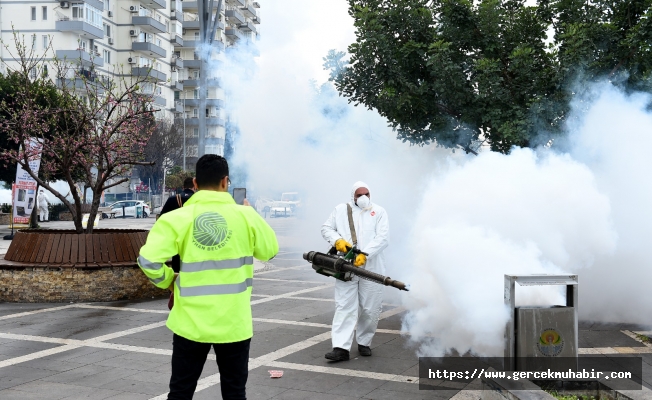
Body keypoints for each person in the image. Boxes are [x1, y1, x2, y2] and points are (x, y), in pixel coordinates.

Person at [138, 155, 279, 400]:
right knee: (235, 393)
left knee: (181, 392)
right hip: (234, 323)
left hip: (190, 323)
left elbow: (148, 260)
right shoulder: (246, 217)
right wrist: (253, 215)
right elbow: (270, 251)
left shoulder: (177, 218)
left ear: (195, 182)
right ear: (226, 182)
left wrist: (169, 280)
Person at [321, 181, 390, 361]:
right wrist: (337, 241)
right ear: (352, 195)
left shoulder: (379, 212)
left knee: (370, 308)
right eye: (359, 195)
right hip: (347, 265)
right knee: (344, 306)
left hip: (372, 265)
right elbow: (326, 228)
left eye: (366, 193)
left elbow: (383, 238)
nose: (363, 197)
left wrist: (366, 254)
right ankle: (340, 348)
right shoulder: (341, 210)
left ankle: (364, 341)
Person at [159, 177, 196, 273]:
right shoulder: (199, 200)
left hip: (177, 240)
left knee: (177, 269)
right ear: (195, 186)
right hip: (196, 241)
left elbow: (161, 220)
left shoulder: (173, 199)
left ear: (183, 187)